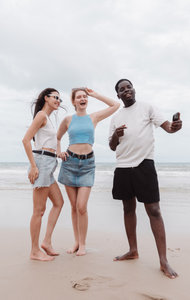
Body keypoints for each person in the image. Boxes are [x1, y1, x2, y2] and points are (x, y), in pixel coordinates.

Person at [109, 79, 182, 279]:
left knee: (154, 211)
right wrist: (116, 135)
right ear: (118, 95)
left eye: (128, 87)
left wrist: (175, 126)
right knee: (128, 208)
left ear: (134, 89)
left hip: (144, 165)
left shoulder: (147, 108)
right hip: (123, 166)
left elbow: (167, 127)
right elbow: (112, 146)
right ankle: (133, 250)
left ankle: (163, 260)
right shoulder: (116, 117)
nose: (126, 90)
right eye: (122, 89)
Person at [57, 87, 120, 256]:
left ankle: (83, 244)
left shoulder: (94, 117)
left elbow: (115, 105)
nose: (83, 99)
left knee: (81, 207)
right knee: (73, 207)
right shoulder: (68, 119)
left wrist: (95, 94)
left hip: (87, 165)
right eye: (79, 97)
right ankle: (76, 242)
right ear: (73, 101)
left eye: (85, 97)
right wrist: (58, 151)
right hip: (69, 163)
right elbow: (57, 138)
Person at [22, 88, 65, 261]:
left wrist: (59, 153)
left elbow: (51, 142)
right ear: (46, 98)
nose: (58, 101)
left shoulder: (48, 119)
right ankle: (34, 251)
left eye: (60, 99)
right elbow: (26, 140)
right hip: (41, 163)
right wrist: (33, 166)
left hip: (49, 163)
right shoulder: (41, 116)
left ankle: (46, 242)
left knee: (59, 202)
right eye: (55, 98)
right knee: (39, 211)